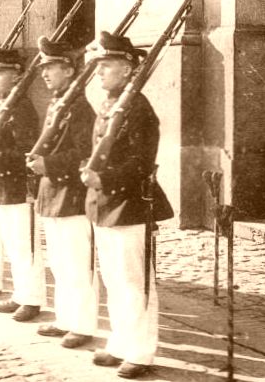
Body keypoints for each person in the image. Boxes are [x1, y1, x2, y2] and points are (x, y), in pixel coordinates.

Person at [80, 31, 173, 379]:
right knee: (114, 279)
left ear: (128, 68)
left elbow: (141, 162)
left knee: (134, 282)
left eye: (107, 65)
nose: (100, 71)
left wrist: (104, 179)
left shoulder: (138, 108)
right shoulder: (109, 105)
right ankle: (121, 342)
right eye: (99, 65)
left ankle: (140, 351)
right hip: (103, 205)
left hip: (129, 205)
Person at [26, 36, 98, 349]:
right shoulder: (58, 103)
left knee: (77, 264)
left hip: (71, 195)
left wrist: (48, 164)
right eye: (43, 67)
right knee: (59, 262)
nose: (44, 73)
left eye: (51, 67)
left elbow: (84, 154)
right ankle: (66, 318)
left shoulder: (80, 108)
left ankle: (81, 325)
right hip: (52, 193)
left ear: (69, 71)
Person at [0, 47, 43, 315]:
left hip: (16, 184)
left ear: (16, 76)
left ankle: (32, 299)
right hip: (0, 184)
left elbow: (24, 150)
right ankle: (20, 293)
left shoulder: (22, 107)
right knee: (13, 243)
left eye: (0, 73)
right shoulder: (3, 104)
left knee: (24, 244)